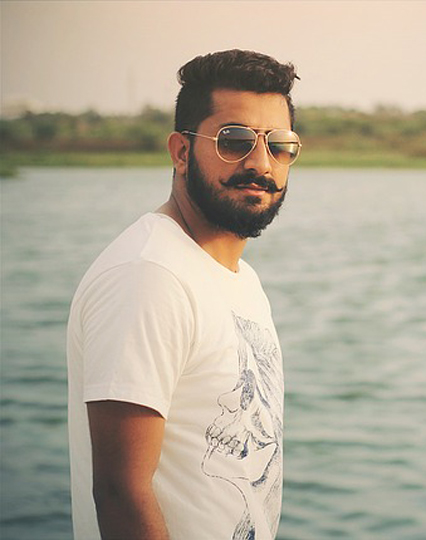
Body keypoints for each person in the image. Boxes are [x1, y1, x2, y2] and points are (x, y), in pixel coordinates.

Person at [67, 49, 301, 540]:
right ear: (180, 151)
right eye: (234, 140)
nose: (261, 163)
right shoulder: (149, 275)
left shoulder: (240, 279)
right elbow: (120, 492)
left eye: (279, 145)